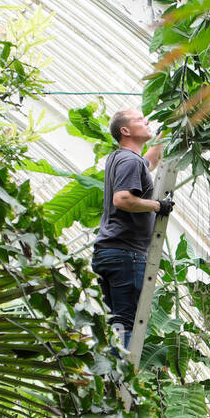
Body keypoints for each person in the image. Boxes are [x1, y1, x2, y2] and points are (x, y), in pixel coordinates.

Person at [90, 107, 174, 351]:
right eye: (140, 120)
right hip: (126, 255)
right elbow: (122, 199)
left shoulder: (122, 158)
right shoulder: (129, 160)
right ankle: (121, 382)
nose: (146, 121)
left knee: (114, 322)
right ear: (125, 131)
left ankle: (109, 376)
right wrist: (158, 206)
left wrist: (164, 134)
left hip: (109, 252)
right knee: (127, 323)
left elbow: (148, 162)